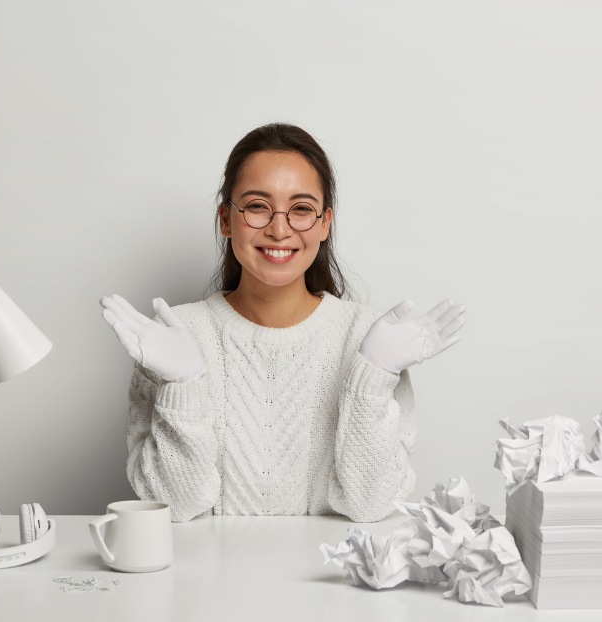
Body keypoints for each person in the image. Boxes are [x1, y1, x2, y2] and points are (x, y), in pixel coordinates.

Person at [100, 123, 465, 522]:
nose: (279, 228)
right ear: (226, 220)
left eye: (302, 209)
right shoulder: (173, 337)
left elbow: (369, 506)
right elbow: (174, 509)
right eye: (257, 206)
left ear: (325, 223)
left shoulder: (371, 340)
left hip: (331, 581)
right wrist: (183, 388)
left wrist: (372, 381)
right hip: (206, 580)